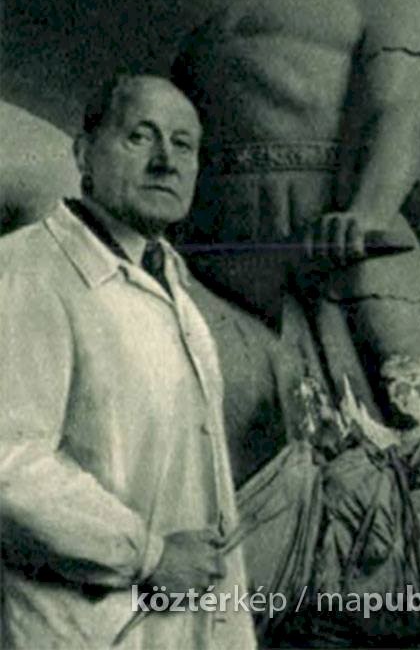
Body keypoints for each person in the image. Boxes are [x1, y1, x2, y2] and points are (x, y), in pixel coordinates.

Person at [171, 0, 420, 420]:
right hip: (213, 249)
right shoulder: (207, 33)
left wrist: (368, 211)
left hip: (336, 238)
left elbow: (396, 110)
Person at [0, 73, 257, 650]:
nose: (166, 162)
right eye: (141, 136)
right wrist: (150, 554)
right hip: (83, 631)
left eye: (183, 145)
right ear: (83, 154)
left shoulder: (168, 278)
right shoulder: (24, 270)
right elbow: (9, 461)